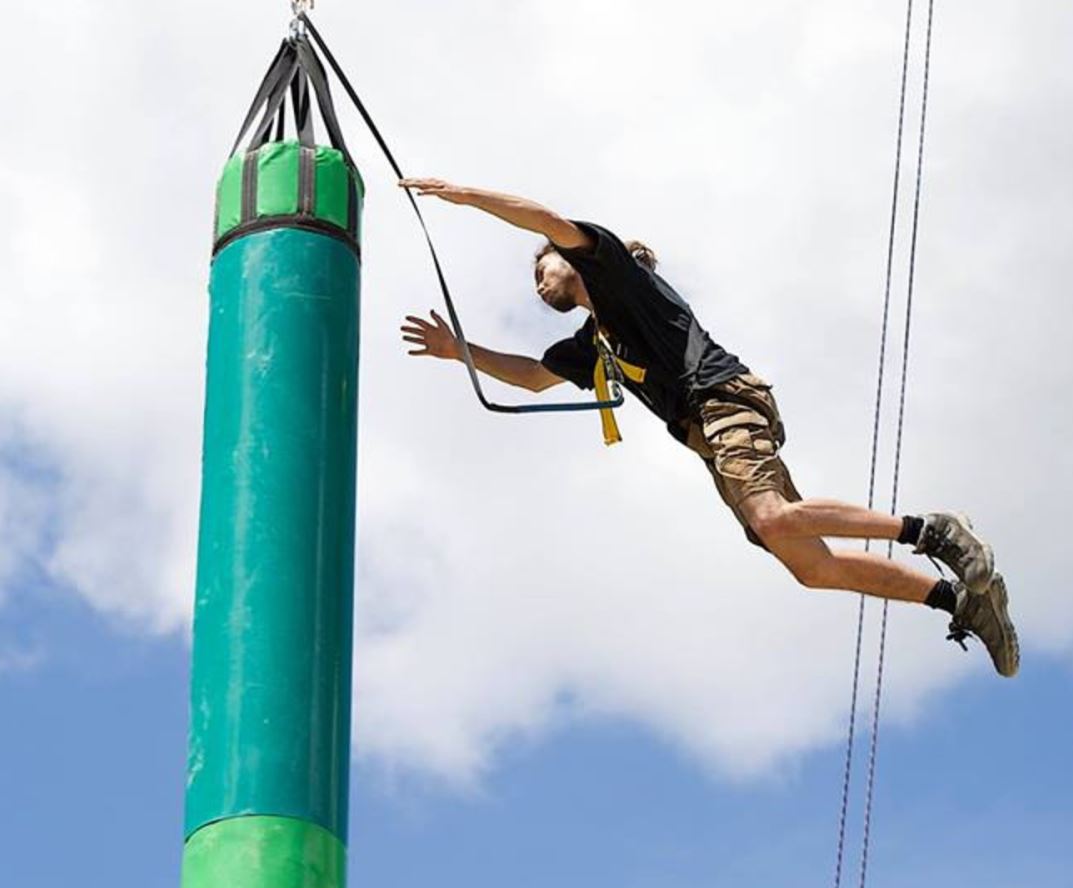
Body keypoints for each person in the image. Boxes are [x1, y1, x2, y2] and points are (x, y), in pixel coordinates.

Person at [397, 177, 1019, 677]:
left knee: (772, 517)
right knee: (808, 565)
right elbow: (534, 376)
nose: (537, 283)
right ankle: (957, 601)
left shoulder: (615, 273)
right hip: (705, 434)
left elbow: (548, 221)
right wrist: (461, 352)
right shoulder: (591, 342)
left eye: (542, 269)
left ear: (570, 262)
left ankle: (933, 533)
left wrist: (466, 197)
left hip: (723, 400)